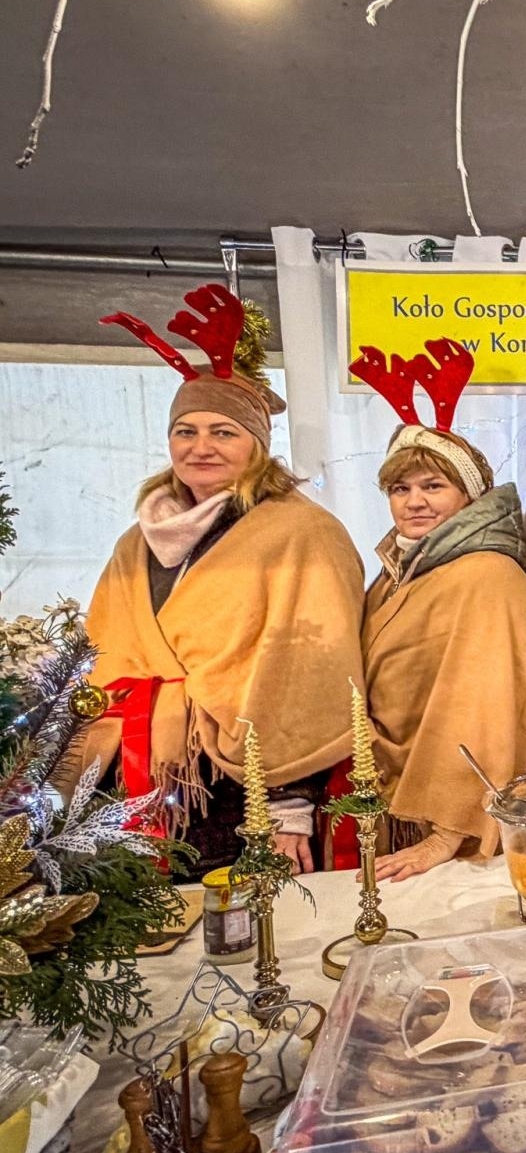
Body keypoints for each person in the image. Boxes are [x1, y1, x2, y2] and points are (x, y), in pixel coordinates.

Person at [81, 284, 364, 876]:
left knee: (244, 932)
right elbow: (103, 652)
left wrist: (289, 805)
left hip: (242, 784)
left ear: (257, 445)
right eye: (187, 431)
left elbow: (312, 673)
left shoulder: (301, 533)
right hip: (138, 776)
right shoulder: (137, 542)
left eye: (223, 432)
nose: (201, 447)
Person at [350, 340, 526, 881]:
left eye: (434, 486)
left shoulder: (488, 574)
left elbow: (492, 708)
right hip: (391, 792)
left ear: (471, 495)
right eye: (400, 488)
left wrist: (448, 831)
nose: (414, 502)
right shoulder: (401, 568)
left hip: (448, 819)